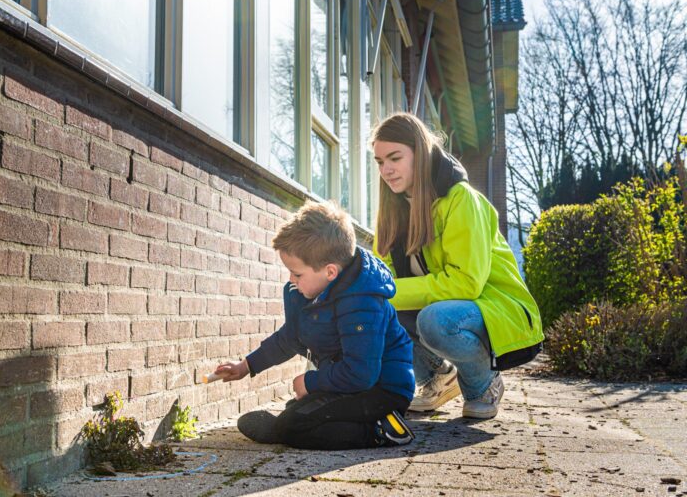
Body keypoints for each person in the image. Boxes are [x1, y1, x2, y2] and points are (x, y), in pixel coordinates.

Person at [370, 112, 543, 420]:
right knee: (373, 308)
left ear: (419, 154)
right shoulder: (393, 211)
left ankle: (483, 386)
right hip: (448, 310)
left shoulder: (461, 199)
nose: (386, 169)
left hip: (495, 309)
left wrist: (384, 291)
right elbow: (382, 276)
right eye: (380, 162)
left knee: (434, 320)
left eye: (394, 158)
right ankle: (438, 378)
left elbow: (466, 284)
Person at [213, 200, 416, 449]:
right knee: (298, 411)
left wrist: (310, 382)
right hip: (351, 384)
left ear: (330, 272)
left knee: (299, 423)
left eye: (297, 274)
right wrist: (247, 365)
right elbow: (290, 337)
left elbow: (361, 373)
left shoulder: (361, 303)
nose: (291, 280)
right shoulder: (307, 292)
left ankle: (382, 429)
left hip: (382, 390)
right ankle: (290, 424)